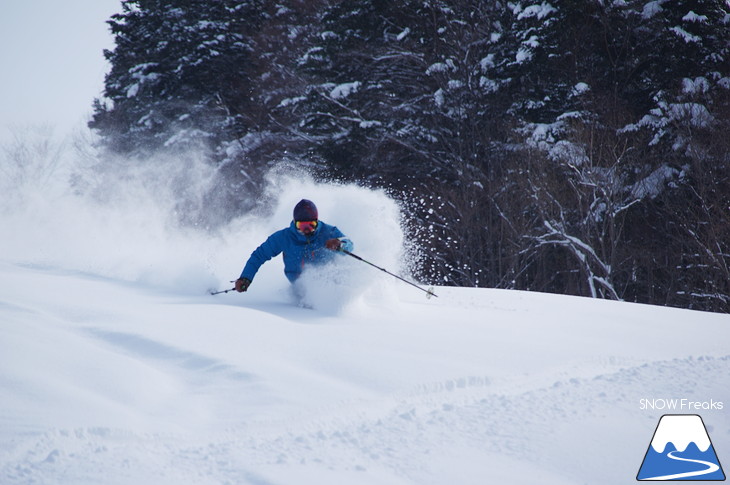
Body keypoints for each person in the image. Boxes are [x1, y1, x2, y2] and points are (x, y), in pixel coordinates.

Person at [235, 199, 353, 292]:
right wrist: (246, 278)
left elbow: (350, 245)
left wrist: (339, 244)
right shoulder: (285, 237)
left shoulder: (328, 232)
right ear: (294, 223)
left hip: (330, 282)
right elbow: (259, 256)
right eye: (301, 226)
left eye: (311, 225)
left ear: (317, 222)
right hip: (298, 286)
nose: (306, 230)